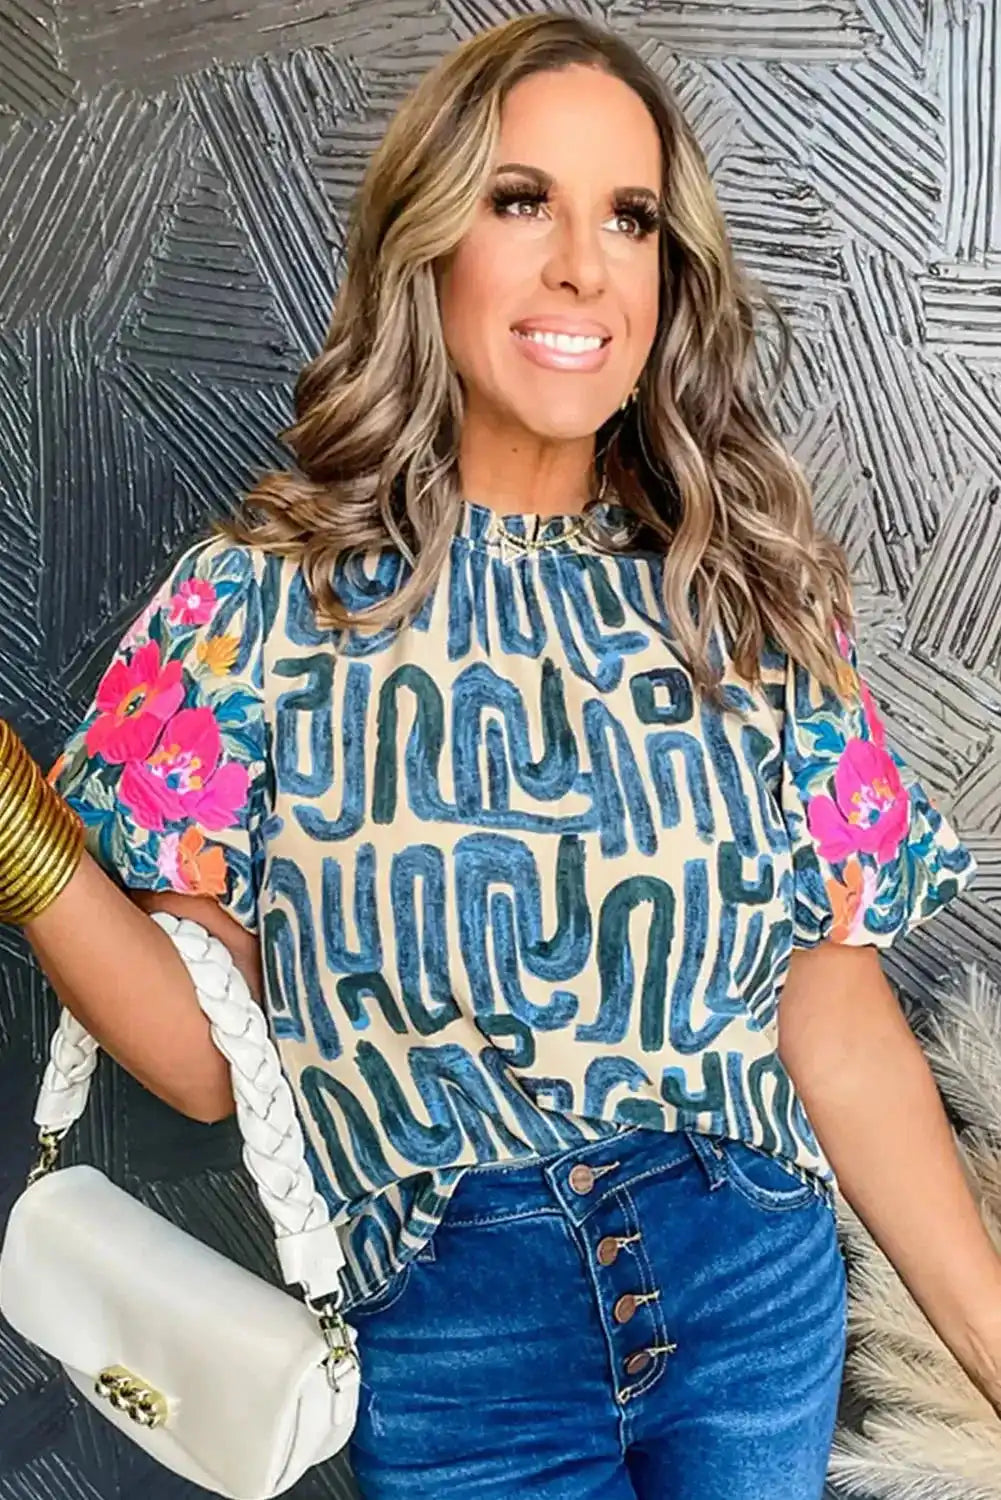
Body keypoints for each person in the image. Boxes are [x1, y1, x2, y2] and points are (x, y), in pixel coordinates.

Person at [0, 13, 994, 1499]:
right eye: (520, 200)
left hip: (749, 1285)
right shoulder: (260, 601)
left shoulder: (749, 594)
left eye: (630, 216)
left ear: (670, 273)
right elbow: (213, 1065)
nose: (582, 266)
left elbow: (836, 1031)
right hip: (456, 1330)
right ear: (430, 243)